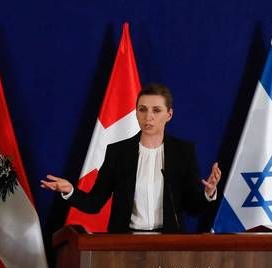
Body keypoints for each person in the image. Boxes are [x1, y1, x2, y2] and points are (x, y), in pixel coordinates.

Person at [40, 83, 221, 233]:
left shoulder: (183, 152)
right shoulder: (118, 152)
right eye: (142, 110)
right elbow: (94, 203)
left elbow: (192, 208)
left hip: (169, 244)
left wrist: (208, 193)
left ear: (169, 115)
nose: (148, 117)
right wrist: (70, 190)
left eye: (156, 110)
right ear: (136, 112)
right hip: (125, 243)